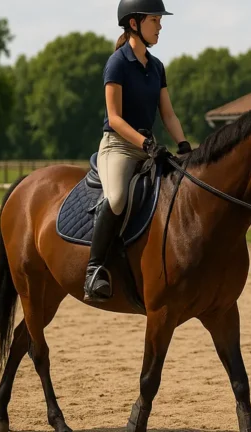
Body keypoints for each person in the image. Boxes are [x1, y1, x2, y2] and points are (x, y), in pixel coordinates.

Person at [84, 0, 192, 303]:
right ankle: (94, 269)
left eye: (159, 20)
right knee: (117, 198)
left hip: (149, 147)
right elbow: (115, 118)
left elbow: (168, 114)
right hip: (118, 145)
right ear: (134, 23)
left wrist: (183, 145)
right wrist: (145, 144)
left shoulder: (157, 67)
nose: (160, 26)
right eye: (154, 20)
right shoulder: (117, 63)